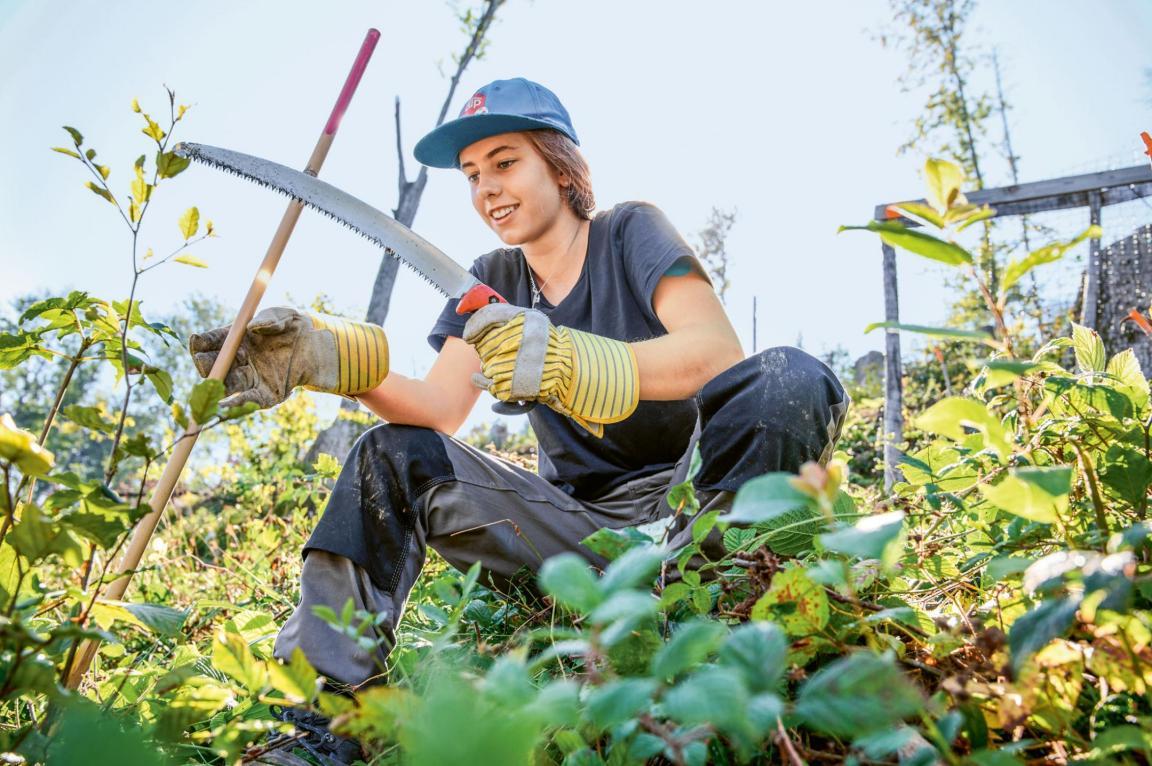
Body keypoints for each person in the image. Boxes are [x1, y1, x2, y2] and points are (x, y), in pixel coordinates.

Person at [191, 78, 848, 762]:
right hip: (575, 531)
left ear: (561, 166)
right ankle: (319, 726)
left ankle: (729, 614)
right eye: (472, 176)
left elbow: (715, 353)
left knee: (789, 379)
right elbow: (438, 413)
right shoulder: (490, 277)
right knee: (387, 455)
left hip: (693, 506)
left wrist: (570, 360)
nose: (487, 190)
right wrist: (335, 359)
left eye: (505, 163)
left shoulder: (630, 232)